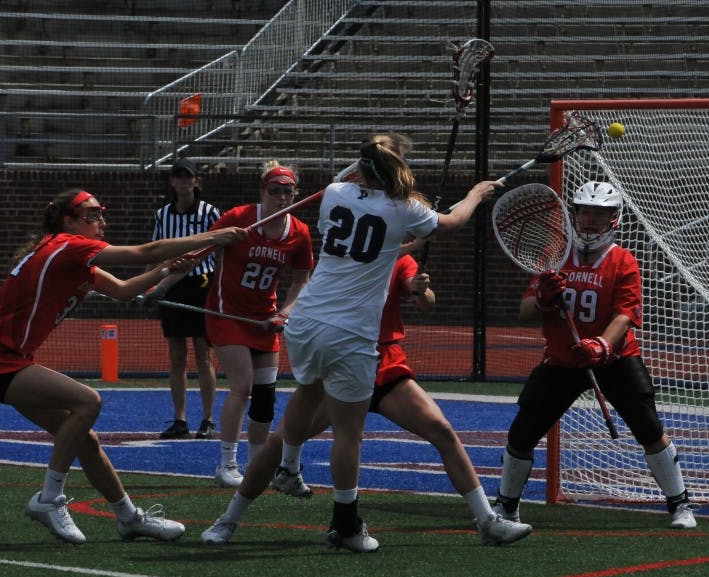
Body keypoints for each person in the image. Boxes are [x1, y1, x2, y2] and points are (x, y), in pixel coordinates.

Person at [206, 132, 500, 553]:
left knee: (311, 405)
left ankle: (280, 476)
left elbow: (379, 216)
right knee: (349, 434)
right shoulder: (404, 210)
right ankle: (342, 523)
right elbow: (450, 223)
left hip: (310, 325)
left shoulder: (335, 193)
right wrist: (477, 192)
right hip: (352, 338)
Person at [0, 188, 247, 544]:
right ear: (68, 220)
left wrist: (166, 270)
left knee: (86, 439)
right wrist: (214, 236)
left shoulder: (73, 257)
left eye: (100, 214)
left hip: (7, 359)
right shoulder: (68, 246)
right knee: (88, 401)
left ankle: (129, 517)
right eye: (92, 215)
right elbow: (145, 250)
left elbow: (126, 291)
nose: (101, 221)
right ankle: (49, 498)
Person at [201, 237, 532, 546]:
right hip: (345, 364)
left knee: (442, 431)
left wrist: (420, 290)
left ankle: (487, 521)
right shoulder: (346, 256)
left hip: (384, 365)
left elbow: (425, 300)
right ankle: (229, 519)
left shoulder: (398, 259)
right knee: (280, 442)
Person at [493, 181, 697, 529]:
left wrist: (601, 345)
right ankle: (506, 507)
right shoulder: (554, 256)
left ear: (613, 219)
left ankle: (680, 505)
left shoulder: (622, 261)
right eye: (584, 211)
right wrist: (543, 298)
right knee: (522, 433)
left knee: (648, 429)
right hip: (562, 360)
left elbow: (625, 315)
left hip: (614, 360)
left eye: (598, 214)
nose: (589, 220)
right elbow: (526, 310)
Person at [205, 161, 313, 488]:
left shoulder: (299, 233)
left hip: (264, 319)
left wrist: (285, 312)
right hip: (227, 314)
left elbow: (301, 279)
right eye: (274, 191)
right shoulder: (239, 218)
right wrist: (164, 280)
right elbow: (201, 249)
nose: (281, 198)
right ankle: (227, 463)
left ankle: (257, 465)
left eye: (287, 192)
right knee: (243, 386)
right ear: (262, 191)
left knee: (265, 396)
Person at [150, 159, 222, 440]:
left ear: (196, 181)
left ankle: (207, 418)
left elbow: (218, 249)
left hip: (201, 284)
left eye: (187, 177)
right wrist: (145, 284)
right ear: (172, 182)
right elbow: (154, 251)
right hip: (172, 286)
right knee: (176, 355)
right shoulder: (163, 215)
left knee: (204, 354)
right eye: (178, 177)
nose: (183, 182)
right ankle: (179, 419)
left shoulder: (209, 213)